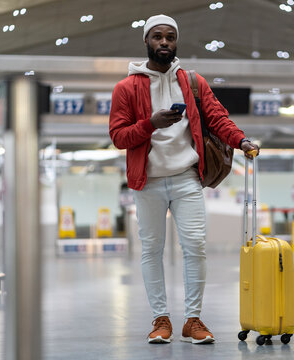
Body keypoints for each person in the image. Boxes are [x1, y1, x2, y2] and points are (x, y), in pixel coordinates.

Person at [109, 14, 259, 344]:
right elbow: (118, 137)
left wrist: (241, 140)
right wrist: (151, 123)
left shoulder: (191, 82)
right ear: (146, 41)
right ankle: (160, 319)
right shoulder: (126, 88)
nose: (164, 42)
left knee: (195, 247)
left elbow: (218, 118)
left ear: (176, 42)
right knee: (152, 249)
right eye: (158, 37)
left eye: (171, 37)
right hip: (146, 181)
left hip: (187, 178)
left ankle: (193, 320)